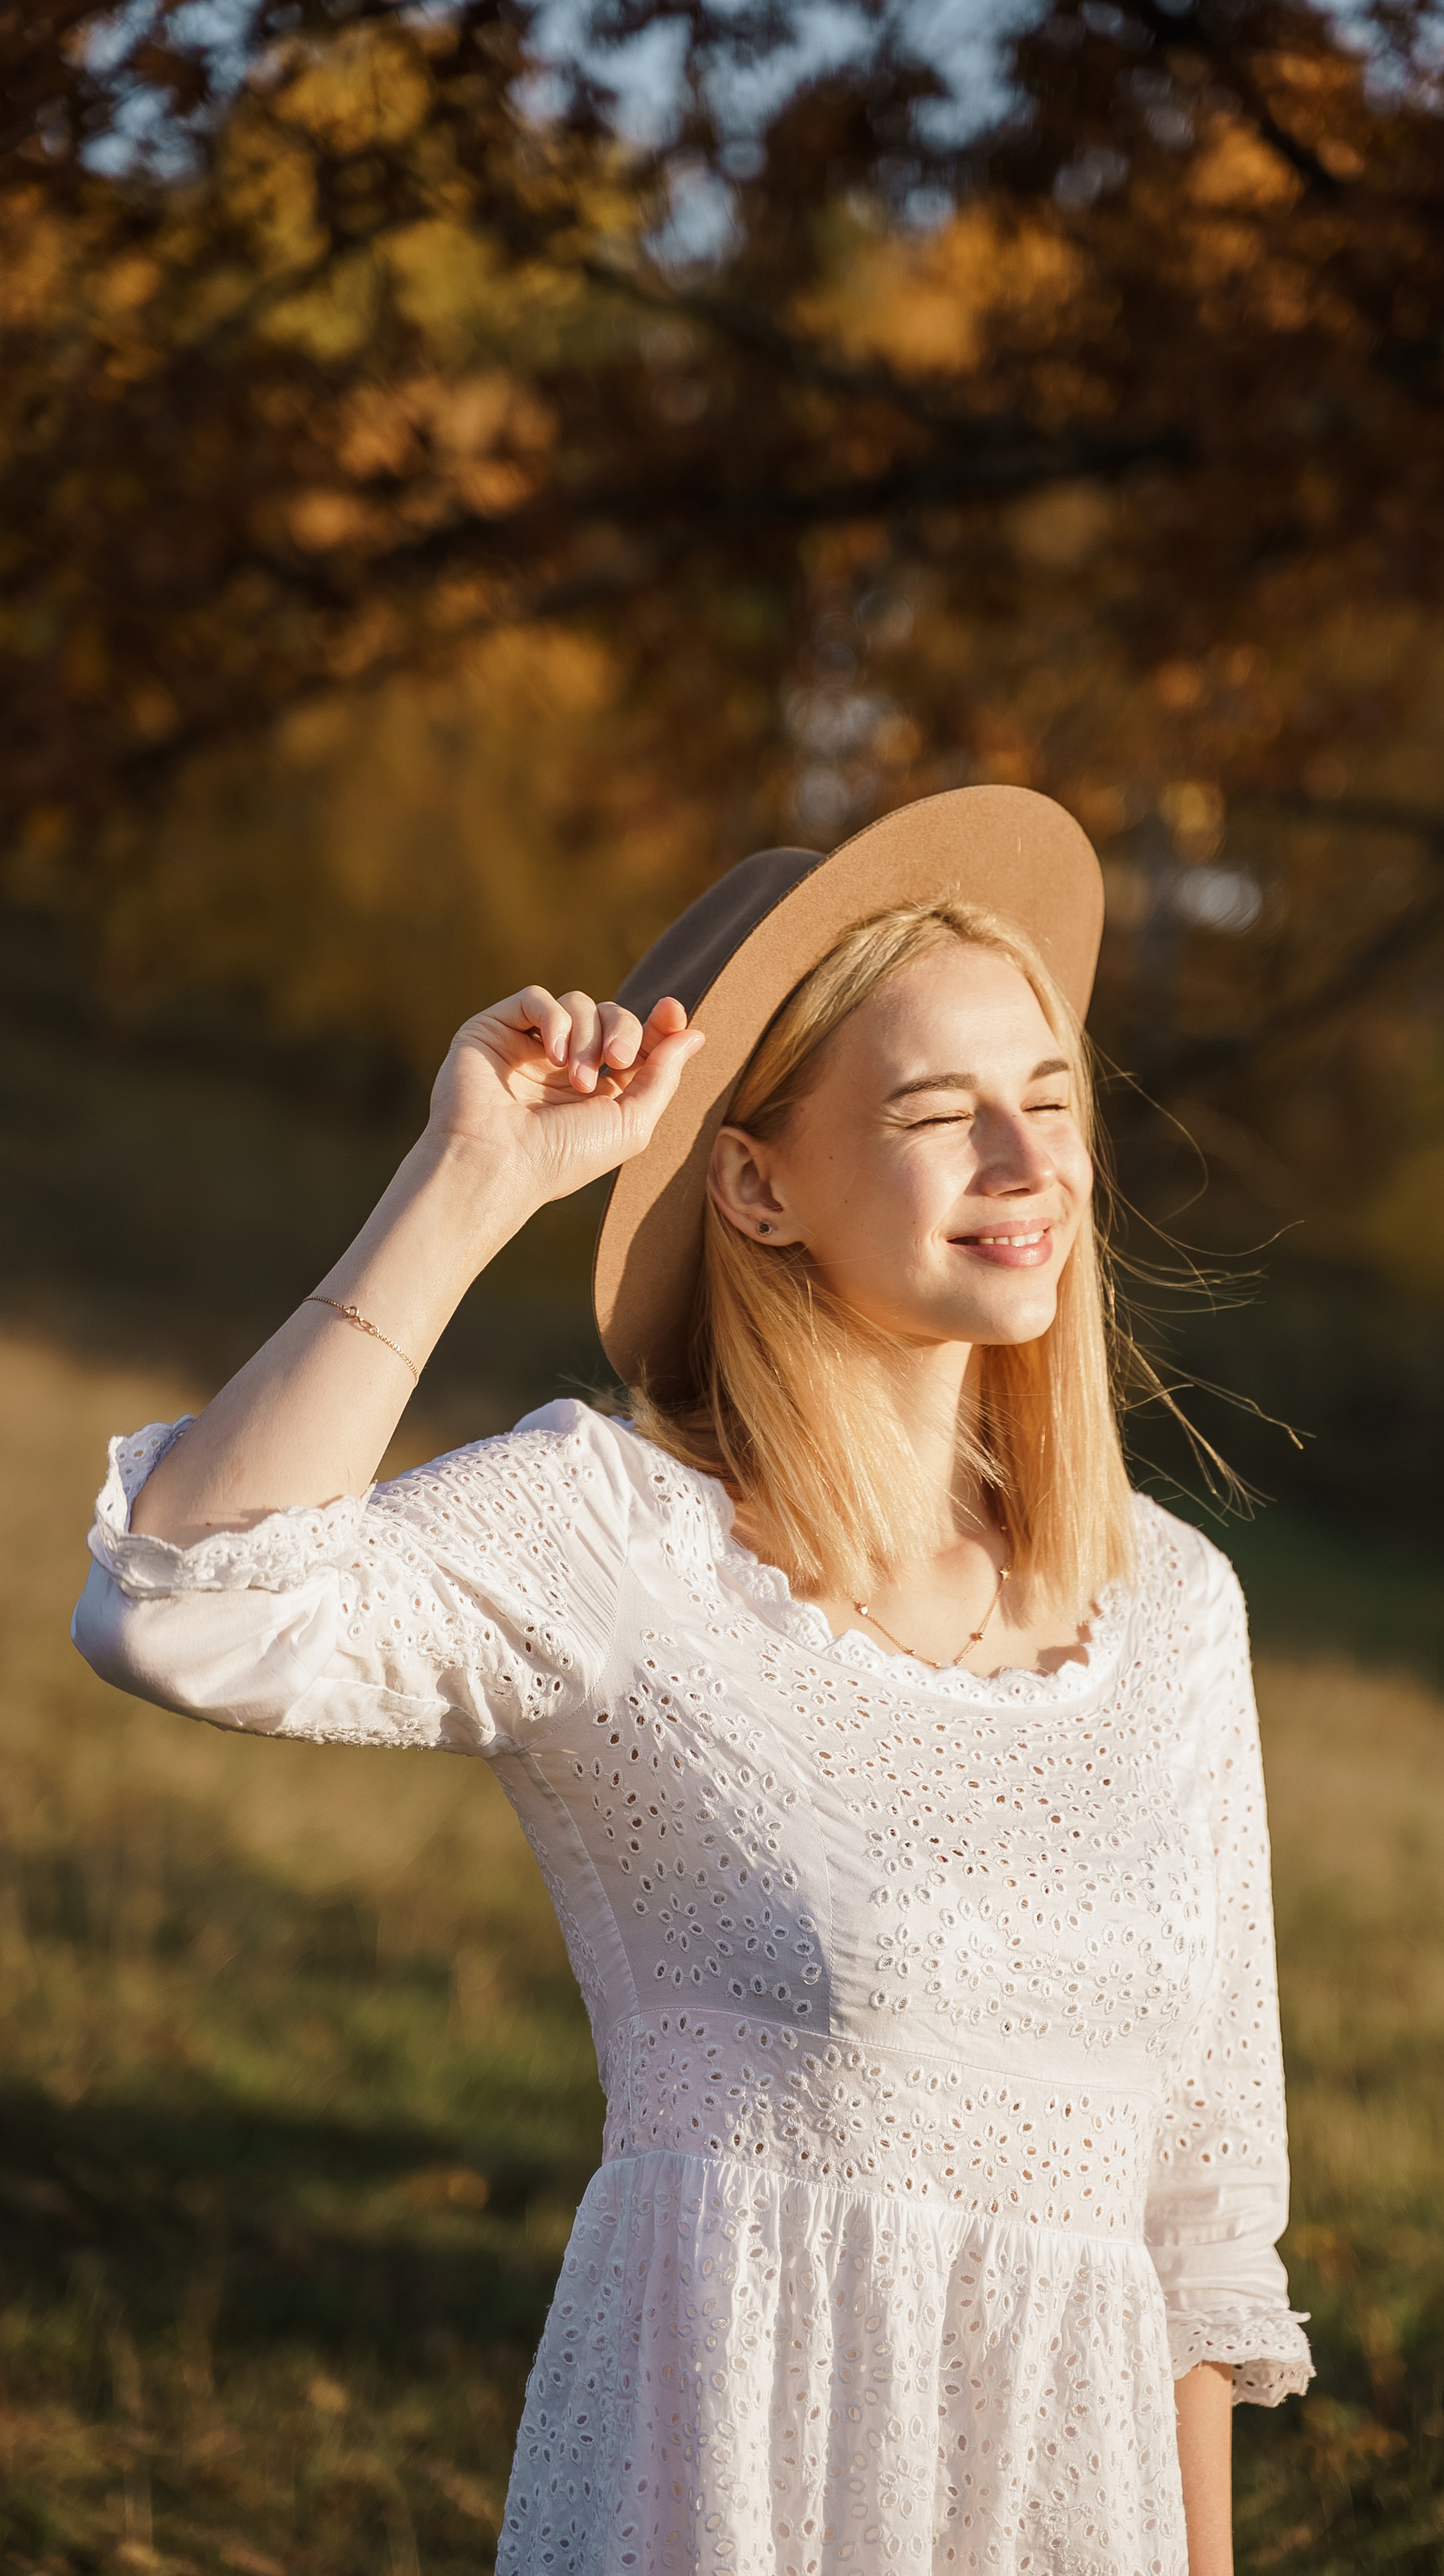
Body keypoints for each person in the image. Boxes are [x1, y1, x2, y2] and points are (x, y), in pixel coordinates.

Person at [72, 785, 1311, 2576]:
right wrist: (473, 1179)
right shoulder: (620, 1541)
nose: (1028, 1167)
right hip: (725, 2498)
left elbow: (1200, 2227)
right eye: (937, 1116)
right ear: (753, 1180)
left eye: (1048, 1105)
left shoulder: (1175, 1613)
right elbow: (187, 1600)